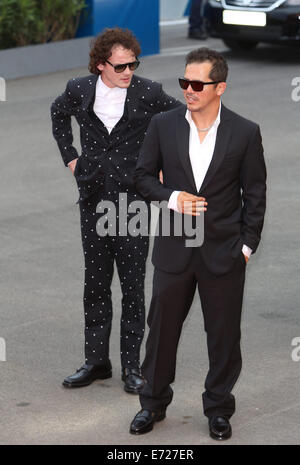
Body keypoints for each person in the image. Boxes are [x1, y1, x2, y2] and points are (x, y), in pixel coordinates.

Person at [129, 48, 266, 439]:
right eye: (183, 82)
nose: (188, 89)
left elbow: (255, 194)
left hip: (224, 251)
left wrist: (246, 246)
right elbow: (142, 178)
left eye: (197, 84)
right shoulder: (163, 124)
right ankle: (152, 404)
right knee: (161, 332)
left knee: (223, 335)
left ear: (219, 87)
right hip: (174, 248)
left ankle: (219, 408)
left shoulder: (244, 131)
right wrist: (172, 197)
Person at [51, 28, 181, 394]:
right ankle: (97, 362)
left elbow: (179, 121)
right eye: (121, 66)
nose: (128, 72)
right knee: (95, 283)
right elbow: (57, 114)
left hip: (132, 202)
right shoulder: (79, 89)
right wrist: (71, 159)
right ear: (100, 65)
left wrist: (160, 166)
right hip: (93, 197)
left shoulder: (148, 92)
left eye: (133, 64)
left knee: (132, 286)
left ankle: (132, 367)